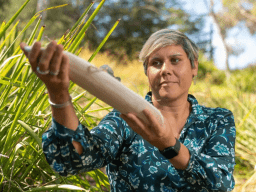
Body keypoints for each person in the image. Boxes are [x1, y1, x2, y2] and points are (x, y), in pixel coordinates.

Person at [20, 29, 236, 192]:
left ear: (194, 66)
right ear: (147, 72)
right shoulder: (125, 119)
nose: (165, 70)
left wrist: (169, 145)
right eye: (156, 63)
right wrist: (59, 95)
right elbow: (72, 160)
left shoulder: (217, 120)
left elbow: (221, 182)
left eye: (175, 60)